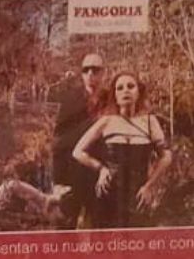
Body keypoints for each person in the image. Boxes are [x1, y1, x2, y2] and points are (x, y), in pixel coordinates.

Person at [72, 71, 172, 229]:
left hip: (138, 196)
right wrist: (101, 168)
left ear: (138, 92)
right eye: (120, 88)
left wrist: (150, 185)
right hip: (108, 195)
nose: (125, 90)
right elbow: (78, 151)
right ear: (115, 95)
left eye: (131, 86)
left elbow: (166, 156)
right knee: (107, 240)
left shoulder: (149, 121)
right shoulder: (106, 122)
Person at [51, 53, 105, 227]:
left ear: (103, 73)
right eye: (86, 70)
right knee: (65, 228)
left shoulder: (111, 100)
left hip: (101, 175)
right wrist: (58, 182)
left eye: (95, 70)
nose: (90, 74)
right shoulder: (70, 101)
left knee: (101, 229)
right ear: (81, 74)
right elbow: (58, 143)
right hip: (72, 174)